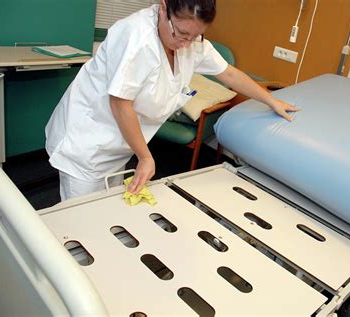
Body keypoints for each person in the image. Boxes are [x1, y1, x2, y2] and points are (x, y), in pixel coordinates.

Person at [45, 0, 298, 201]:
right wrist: (145, 157)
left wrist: (270, 100)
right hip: (87, 140)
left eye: (195, 36)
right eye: (182, 33)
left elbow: (229, 73)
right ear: (164, 7)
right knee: (79, 222)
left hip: (121, 142)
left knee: (107, 207)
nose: (186, 43)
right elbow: (120, 104)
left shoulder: (191, 42)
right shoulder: (136, 37)